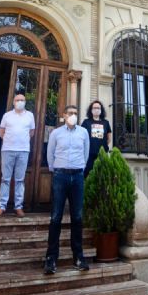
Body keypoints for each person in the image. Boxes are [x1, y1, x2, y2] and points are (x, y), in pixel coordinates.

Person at [44, 105, 90, 275]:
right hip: (60, 176)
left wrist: (80, 168)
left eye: (75, 113)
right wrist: (56, 169)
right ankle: (51, 258)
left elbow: (85, 154)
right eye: (70, 113)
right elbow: (50, 154)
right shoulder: (56, 133)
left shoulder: (83, 132)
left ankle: (78, 257)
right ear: (64, 115)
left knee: (77, 217)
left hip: (77, 176)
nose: (73, 116)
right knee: (56, 216)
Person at [0, 94, 35, 218]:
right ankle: (1, 207)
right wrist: (11, 141)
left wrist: (20, 141)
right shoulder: (7, 115)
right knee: (5, 179)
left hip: (23, 151)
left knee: (20, 180)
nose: (20, 102)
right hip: (7, 150)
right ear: (13, 102)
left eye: (22, 100)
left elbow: (31, 132)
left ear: (25, 102)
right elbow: (1, 133)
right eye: (17, 100)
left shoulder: (30, 115)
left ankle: (18, 207)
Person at [81, 100, 112, 177]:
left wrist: (101, 145)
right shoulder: (86, 122)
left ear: (101, 110)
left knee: (101, 176)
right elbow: (81, 137)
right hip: (89, 155)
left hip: (102, 154)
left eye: (98, 108)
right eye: (94, 108)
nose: (96, 109)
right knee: (88, 176)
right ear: (91, 110)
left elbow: (109, 138)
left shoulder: (106, 122)